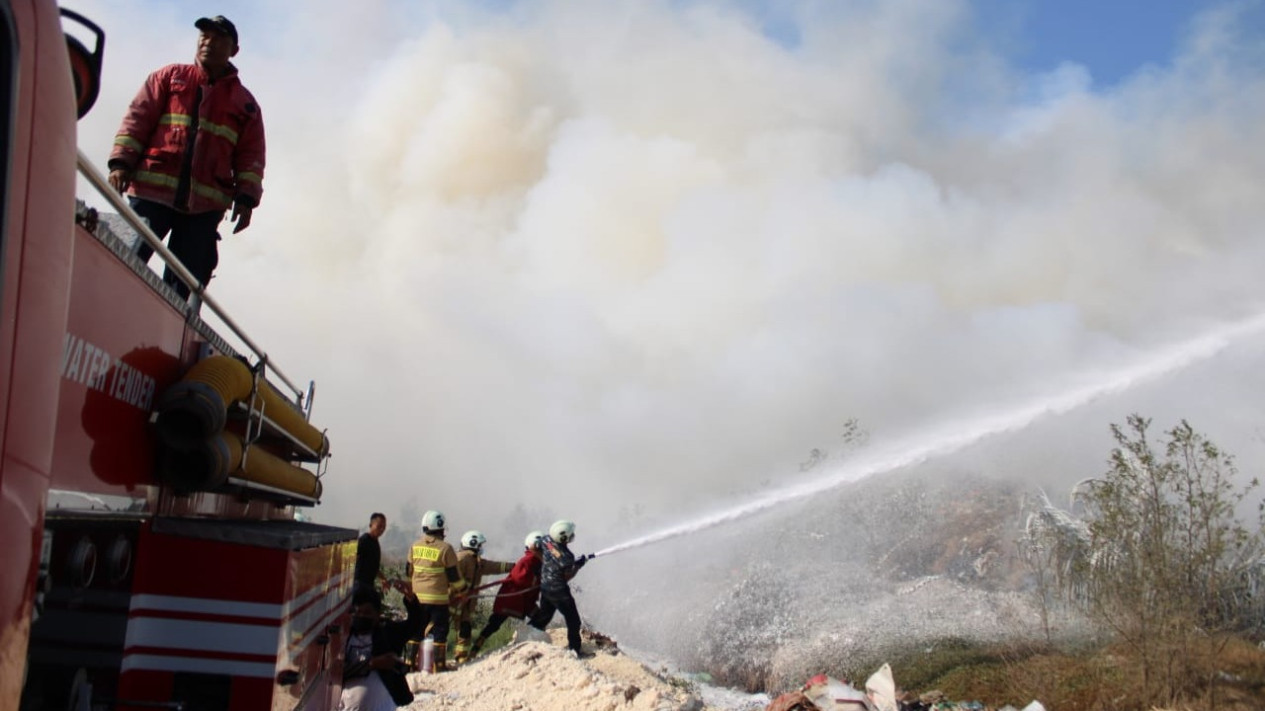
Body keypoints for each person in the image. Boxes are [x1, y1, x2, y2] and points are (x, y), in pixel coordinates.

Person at [107, 15, 265, 300]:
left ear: (234, 50)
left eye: (218, 39)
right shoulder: (168, 77)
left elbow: (251, 155)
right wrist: (121, 163)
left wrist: (246, 198)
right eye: (204, 36)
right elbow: (137, 120)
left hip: (204, 209)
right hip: (151, 193)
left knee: (183, 289)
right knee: (122, 261)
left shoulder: (246, 104)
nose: (208, 43)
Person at [468, 530, 545, 661]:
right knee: (494, 624)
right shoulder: (529, 560)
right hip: (513, 599)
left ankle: (528, 642)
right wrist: (539, 581)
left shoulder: (535, 561)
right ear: (536, 546)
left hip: (520, 600)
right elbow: (520, 579)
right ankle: (474, 651)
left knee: (494, 624)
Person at [340, 588, 422, 710]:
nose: (361, 616)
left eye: (367, 612)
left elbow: (416, 624)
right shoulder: (343, 638)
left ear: (378, 614)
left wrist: (411, 600)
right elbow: (337, 671)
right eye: (357, 612)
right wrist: (372, 664)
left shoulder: (388, 634)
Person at [407, 510, 467, 672]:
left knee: (416, 630)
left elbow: (408, 571)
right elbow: (454, 577)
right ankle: (439, 666)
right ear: (440, 528)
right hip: (438, 599)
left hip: (417, 598)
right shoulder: (446, 549)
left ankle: (409, 664)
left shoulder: (415, 546)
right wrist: (463, 590)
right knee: (440, 631)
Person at [528, 520, 594, 658]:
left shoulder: (546, 540)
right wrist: (578, 565)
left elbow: (533, 547)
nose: (572, 536)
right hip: (559, 591)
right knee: (573, 620)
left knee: (544, 616)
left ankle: (527, 637)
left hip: (545, 586)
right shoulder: (567, 557)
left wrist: (546, 561)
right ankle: (575, 651)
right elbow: (566, 577)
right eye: (570, 534)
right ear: (564, 537)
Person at [450, 530, 514, 664]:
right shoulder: (461, 559)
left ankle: (461, 657)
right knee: (439, 628)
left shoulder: (476, 562)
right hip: (452, 601)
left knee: (465, 629)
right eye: (480, 545)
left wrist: (514, 567)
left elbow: (495, 567)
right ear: (474, 544)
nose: (481, 549)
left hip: (464, 604)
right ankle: (431, 658)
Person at [353, 513, 387, 595]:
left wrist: (382, 578)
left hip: (368, 585)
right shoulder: (364, 541)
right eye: (379, 526)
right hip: (359, 585)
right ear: (371, 525)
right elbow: (353, 560)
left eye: (383, 527)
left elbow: (373, 565)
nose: (381, 530)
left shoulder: (375, 543)